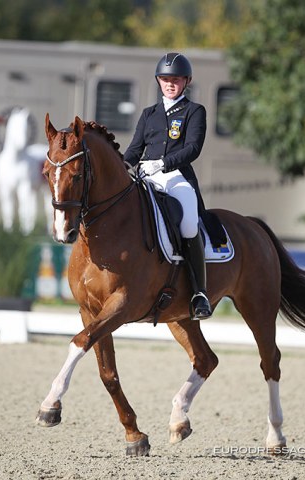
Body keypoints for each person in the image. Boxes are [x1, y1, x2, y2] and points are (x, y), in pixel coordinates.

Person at [124, 52, 212, 320]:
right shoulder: (149, 114)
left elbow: (193, 148)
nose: (170, 84)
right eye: (165, 79)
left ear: (187, 81)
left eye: (175, 79)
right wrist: (122, 168)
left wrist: (162, 163)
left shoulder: (194, 111)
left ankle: (199, 293)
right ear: (158, 81)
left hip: (176, 177)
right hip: (146, 176)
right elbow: (134, 150)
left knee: (187, 223)